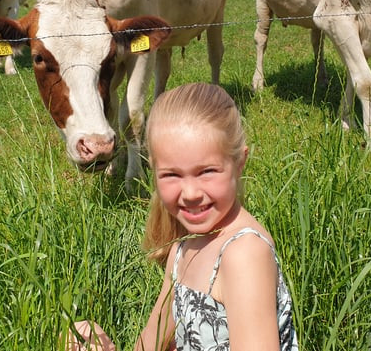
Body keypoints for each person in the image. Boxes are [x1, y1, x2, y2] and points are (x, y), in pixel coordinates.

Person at [68, 83, 299, 351]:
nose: (190, 193)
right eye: (172, 175)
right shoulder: (183, 244)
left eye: (206, 171)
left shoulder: (243, 254)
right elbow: (151, 343)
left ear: (239, 163)